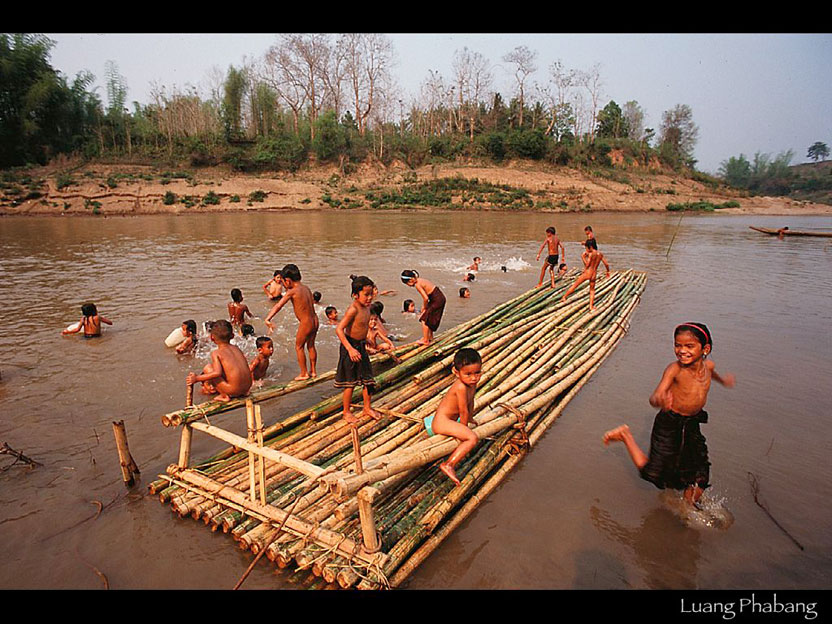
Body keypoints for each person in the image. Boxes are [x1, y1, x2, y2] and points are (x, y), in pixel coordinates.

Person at [603, 323, 736, 509]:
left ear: (705, 349)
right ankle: (626, 435)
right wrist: (660, 400)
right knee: (654, 474)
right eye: (677, 345)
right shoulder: (674, 369)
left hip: (692, 424)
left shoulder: (709, 366)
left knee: (700, 473)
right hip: (669, 423)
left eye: (689, 346)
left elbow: (712, 374)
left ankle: (688, 506)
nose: (682, 351)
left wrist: (723, 381)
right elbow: (655, 396)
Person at [424, 348, 482, 486]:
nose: (474, 377)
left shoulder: (471, 383)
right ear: (456, 372)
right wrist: (464, 429)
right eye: (468, 374)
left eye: (477, 372)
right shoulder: (460, 387)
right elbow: (463, 411)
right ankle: (449, 464)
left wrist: (470, 417)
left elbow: (470, 402)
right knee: (472, 438)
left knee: (468, 434)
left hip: (450, 420)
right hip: (441, 422)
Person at [334, 275, 380, 424]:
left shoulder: (367, 308)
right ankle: (346, 412)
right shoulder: (353, 309)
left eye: (371, 294)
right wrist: (350, 349)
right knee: (350, 382)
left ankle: (367, 407)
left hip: (360, 344)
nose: (369, 298)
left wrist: (366, 340)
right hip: (350, 346)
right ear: (355, 295)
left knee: (368, 379)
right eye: (366, 295)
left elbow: (362, 326)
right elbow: (339, 330)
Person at [264, 264, 319, 380]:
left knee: (299, 347)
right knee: (311, 346)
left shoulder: (292, 291)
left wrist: (268, 318)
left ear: (288, 281)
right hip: (315, 320)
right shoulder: (306, 288)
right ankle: (313, 371)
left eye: (283, 282)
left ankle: (304, 373)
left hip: (306, 322)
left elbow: (278, 305)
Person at [186, 320, 252, 402]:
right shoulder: (236, 348)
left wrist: (197, 378)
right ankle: (241, 391)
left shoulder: (216, 353)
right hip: (247, 387)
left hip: (233, 390)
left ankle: (224, 395)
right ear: (232, 336)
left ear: (211, 337)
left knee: (208, 368)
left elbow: (217, 373)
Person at [561, 238, 610, 312]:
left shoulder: (591, 254)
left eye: (587, 247)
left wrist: (583, 257)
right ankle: (591, 306)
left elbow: (587, 265)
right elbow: (606, 264)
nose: (586, 249)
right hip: (594, 274)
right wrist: (608, 272)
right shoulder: (600, 254)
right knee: (592, 290)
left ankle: (564, 297)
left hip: (588, 273)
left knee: (575, 285)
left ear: (590, 246)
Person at [401, 269, 446, 346]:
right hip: (438, 297)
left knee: (424, 319)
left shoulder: (417, 284)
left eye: (407, 283)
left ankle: (426, 340)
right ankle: (430, 337)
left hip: (436, 299)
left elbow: (425, 298)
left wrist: (423, 307)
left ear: (411, 280)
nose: (409, 286)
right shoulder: (420, 280)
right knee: (430, 318)